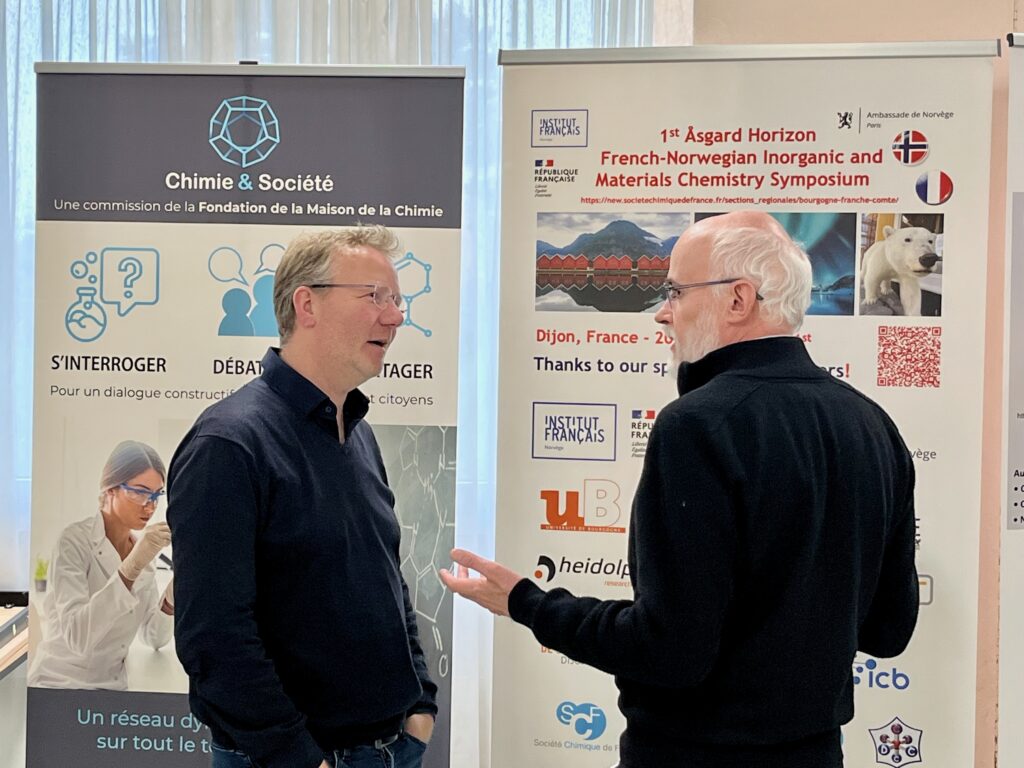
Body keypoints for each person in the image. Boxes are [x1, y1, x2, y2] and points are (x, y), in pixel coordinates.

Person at [441, 210, 919, 767]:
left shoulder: (697, 425)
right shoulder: (871, 423)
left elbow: (669, 651)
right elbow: (888, 630)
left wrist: (529, 603)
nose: (662, 314)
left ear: (738, 299)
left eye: (675, 292)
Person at [168, 226, 437, 768]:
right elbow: (214, 637)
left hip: (391, 746)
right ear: (306, 304)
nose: (394, 317)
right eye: (375, 296)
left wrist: (420, 704)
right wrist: (297, 757)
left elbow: (384, 580)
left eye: (397, 299)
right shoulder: (229, 444)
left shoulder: (356, 431)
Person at [29, 440, 173, 689]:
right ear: (111, 489)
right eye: (140, 492)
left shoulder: (142, 556)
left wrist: (177, 587)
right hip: (59, 685)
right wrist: (131, 567)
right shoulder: (74, 541)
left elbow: (154, 638)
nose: (150, 505)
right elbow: (78, 637)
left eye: (156, 495)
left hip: (112, 689)